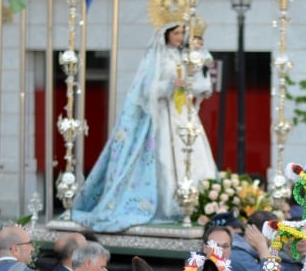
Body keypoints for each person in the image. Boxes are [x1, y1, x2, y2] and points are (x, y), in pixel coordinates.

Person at [72, 22, 216, 232]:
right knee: (166, 159)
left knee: (194, 155)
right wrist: (171, 85)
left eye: (182, 32)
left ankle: (195, 202)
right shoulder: (156, 56)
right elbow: (146, 89)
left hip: (183, 113)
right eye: (176, 32)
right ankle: (169, 205)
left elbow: (198, 85)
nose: (180, 36)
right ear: (165, 34)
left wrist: (198, 72)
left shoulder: (183, 55)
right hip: (164, 114)